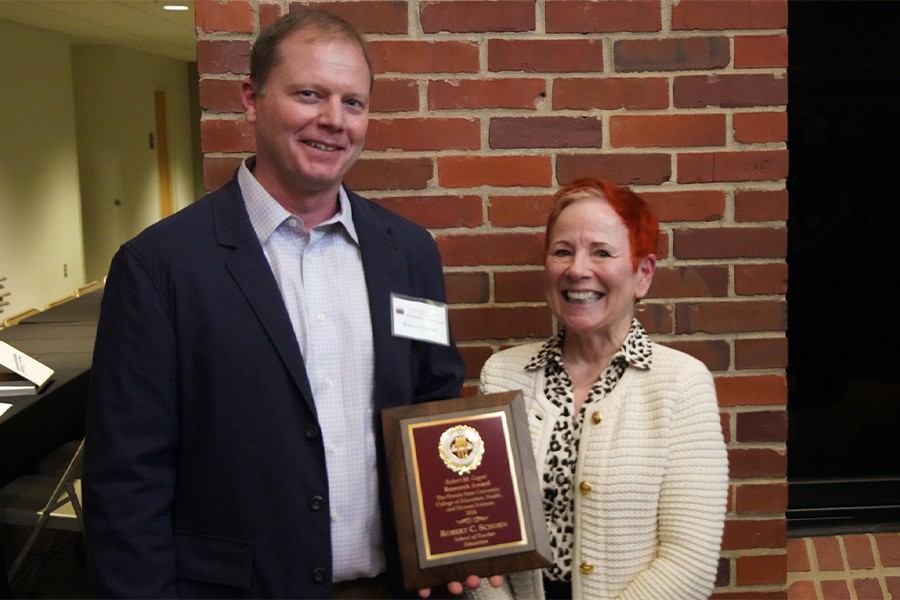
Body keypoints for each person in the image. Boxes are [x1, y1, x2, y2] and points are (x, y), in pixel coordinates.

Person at [83, 10, 467, 598]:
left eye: (353, 102)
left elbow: (434, 403)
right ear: (252, 98)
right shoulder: (160, 266)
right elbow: (127, 479)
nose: (334, 121)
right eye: (310, 94)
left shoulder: (409, 253)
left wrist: (464, 537)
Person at [474, 179, 728, 600]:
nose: (577, 269)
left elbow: (689, 563)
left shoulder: (682, 384)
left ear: (642, 274)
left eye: (602, 252)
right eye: (562, 251)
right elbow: (476, 533)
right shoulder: (502, 375)